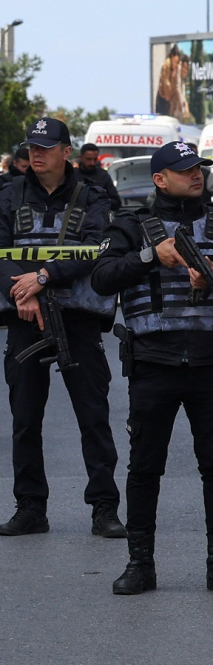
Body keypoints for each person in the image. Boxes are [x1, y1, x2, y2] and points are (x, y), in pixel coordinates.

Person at [0, 118, 123, 538]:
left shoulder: (93, 196)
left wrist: (44, 276)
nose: (36, 154)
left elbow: (98, 248)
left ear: (67, 151)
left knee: (93, 416)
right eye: (32, 147)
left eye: (46, 147)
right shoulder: (9, 194)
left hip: (76, 319)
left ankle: (104, 508)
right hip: (25, 318)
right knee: (25, 418)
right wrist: (19, 290)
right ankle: (30, 506)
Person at [91, 140, 213, 594]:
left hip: (208, 362)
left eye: (199, 167)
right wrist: (150, 256)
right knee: (145, 469)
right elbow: (102, 278)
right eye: (185, 170)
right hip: (153, 364)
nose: (196, 175)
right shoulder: (131, 225)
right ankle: (140, 564)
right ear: (160, 179)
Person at [76, 142, 123, 211]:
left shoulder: (103, 175)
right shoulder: (72, 175)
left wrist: (101, 201)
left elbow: (116, 202)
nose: (92, 163)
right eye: (88, 159)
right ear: (80, 158)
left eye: (95, 159)